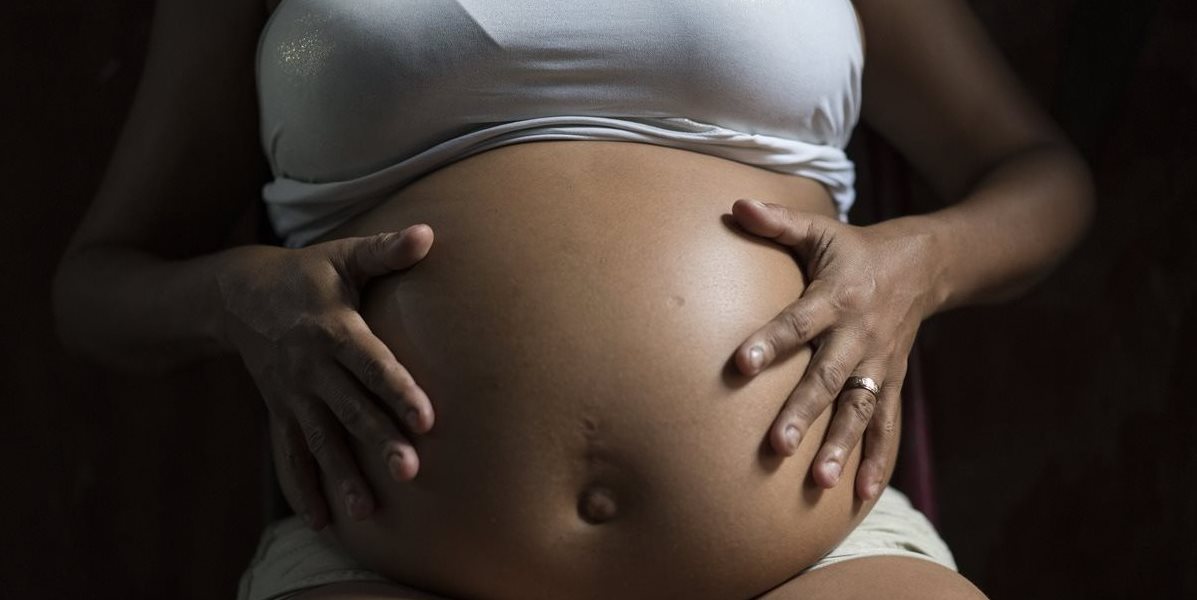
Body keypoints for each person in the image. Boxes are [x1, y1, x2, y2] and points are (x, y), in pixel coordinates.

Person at [52, 0, 1094, 598]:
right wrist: (238, 297)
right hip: (386, 564)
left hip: (817, 558)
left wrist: (916, 263)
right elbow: (98, 282)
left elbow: (1039, 171)